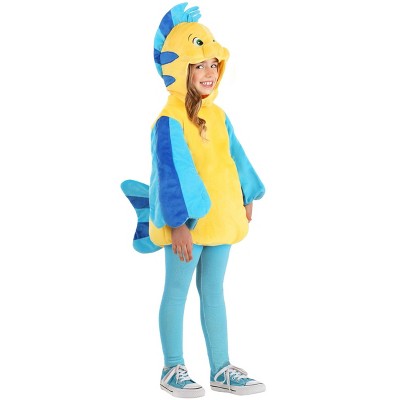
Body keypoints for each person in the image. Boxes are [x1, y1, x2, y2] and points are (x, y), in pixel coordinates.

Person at [124, 2, 266, 397]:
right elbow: (170, 173)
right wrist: (177, 223)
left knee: (214, 292)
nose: (209, 72)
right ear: (179, 68)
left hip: (221, 219)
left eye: (213, 64)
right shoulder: (169, 120)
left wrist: (248, 193)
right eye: (198, 64)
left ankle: (222, 368)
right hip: (186, 225)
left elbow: (235, 155)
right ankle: (172, 367)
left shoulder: (218, 115)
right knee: (176, 292)